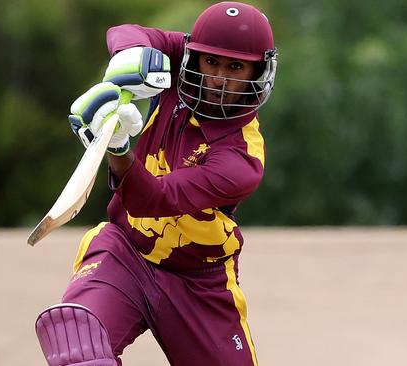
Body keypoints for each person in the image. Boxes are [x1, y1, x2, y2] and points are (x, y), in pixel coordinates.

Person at [35, 2, 277, 365]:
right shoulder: (182, 64)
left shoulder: (242, 158)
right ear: (195, 56)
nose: (219, 79)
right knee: (77, 340)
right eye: (211, 63)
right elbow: (124, 32)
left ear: (258, 72)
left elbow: (153, 199)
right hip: (125, 251)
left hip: (199, 281)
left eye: (236, 67)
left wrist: (117, 145)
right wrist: (132, 60)